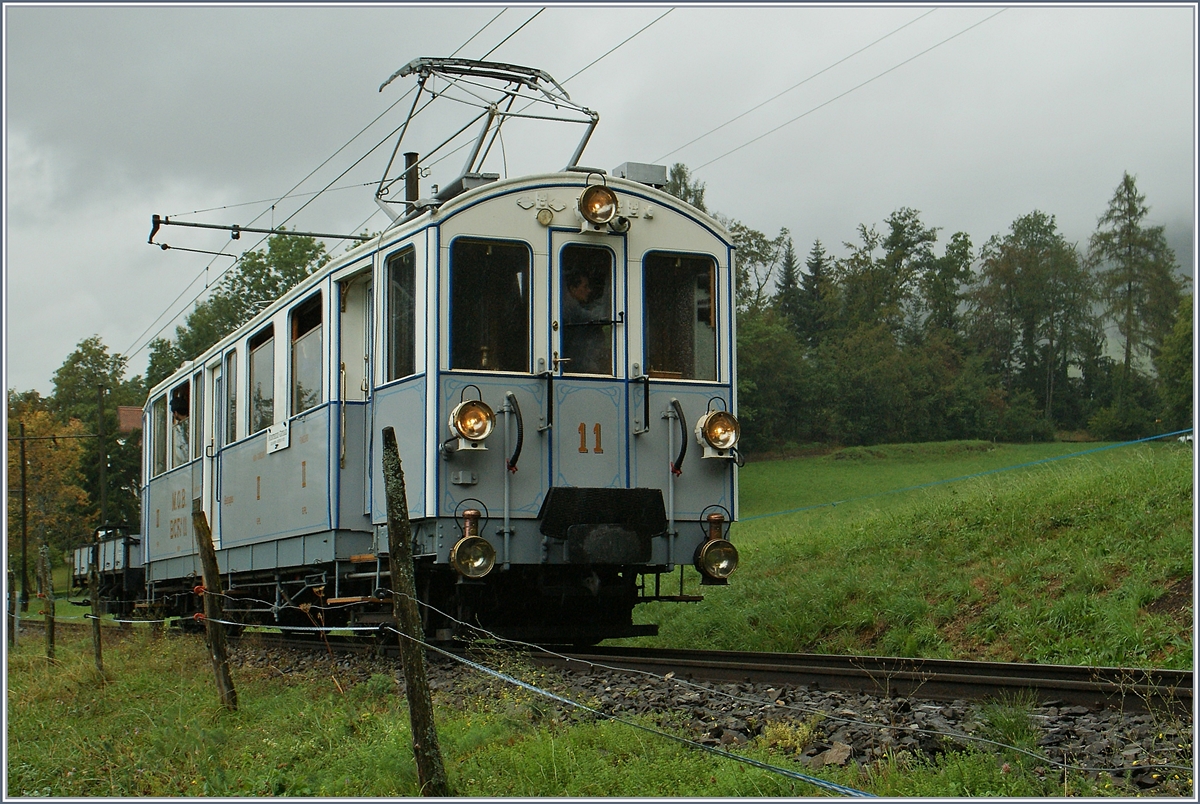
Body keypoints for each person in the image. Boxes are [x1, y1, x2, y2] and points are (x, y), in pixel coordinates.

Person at [560, 267, 611, 375]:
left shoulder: (570, 307)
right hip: (577, 365)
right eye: (585, 287)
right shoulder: (572, 309)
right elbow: (600, 318)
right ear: (573, 289)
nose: (589, 290)